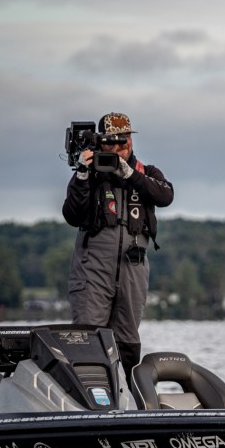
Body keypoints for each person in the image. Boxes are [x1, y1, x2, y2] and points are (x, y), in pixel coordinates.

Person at [62, 112, 174, 380]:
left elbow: (165, 195)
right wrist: (82, 175)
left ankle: (127, 395)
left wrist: (130, 174)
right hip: (93, 267)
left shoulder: (146, 172)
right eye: (113, 140)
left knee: (127, 340)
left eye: (126, 138)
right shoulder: (90, 174)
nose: (121, 144)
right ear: (101, 142)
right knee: (88, 337)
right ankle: (87, 393)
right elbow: (72, 215)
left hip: (133, 266)